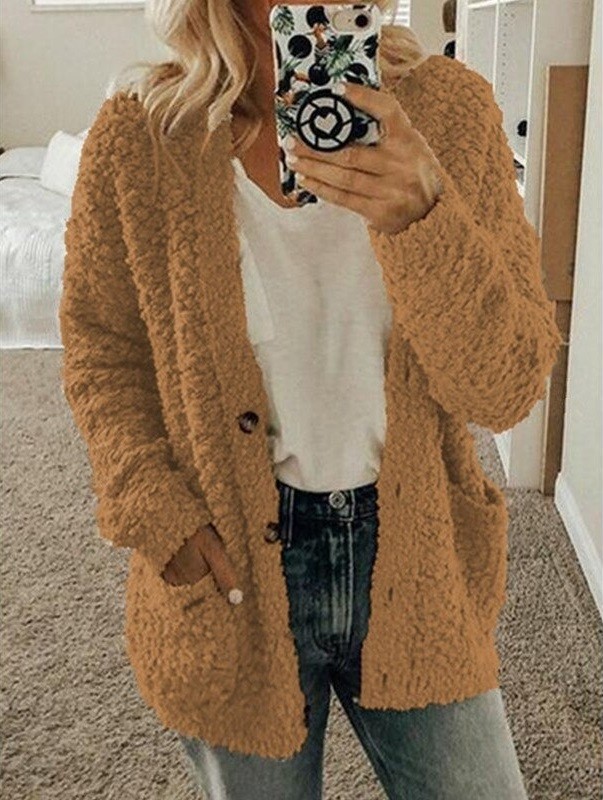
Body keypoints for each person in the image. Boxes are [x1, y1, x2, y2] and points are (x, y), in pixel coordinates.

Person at [59, 0, 562, 797]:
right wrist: (156, 510)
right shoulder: (143, 135)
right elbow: (101, 350)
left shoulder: (448, 112)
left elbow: (506, 386)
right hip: (230, 573)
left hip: (417, 557)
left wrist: (423, 214)